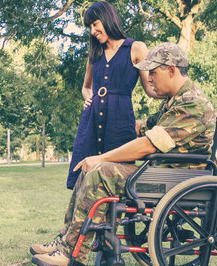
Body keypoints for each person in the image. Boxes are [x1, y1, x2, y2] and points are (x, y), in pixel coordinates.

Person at [31, 42, 217, 266]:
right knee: (89, 168)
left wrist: (102, 157)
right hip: (166, 174)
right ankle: (66, 239)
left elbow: (147, 144)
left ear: (171, 70)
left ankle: (72, 253)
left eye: (153, 72)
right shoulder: (175, 101)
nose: (148, 79)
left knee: (101, 171)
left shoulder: (192, 103)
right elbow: (140, 128)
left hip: (177, 180)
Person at [67, 1, 159, 190]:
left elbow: (150, 87)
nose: (92, 31)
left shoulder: (136, 48)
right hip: (92, 119)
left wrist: (173, 97)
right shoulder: (95, 52)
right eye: (90, 27)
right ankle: (88, 218)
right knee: (86, 174)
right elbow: (86, 87)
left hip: (121, 118)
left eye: (95, 24)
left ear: (107, 19)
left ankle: (117, 219)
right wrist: (88, 98)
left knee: (119, 176)